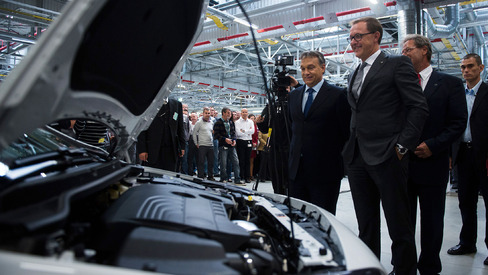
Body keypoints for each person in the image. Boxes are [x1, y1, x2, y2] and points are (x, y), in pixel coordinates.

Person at [342, 17, 429, 275]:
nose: (354, 41)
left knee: (398, 224)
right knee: (366, 224)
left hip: (388, 154)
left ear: (376, 36)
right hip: (357, 157)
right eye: (351, 37)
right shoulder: (355, 71)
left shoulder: (396, 63)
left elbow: (418, 107)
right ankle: (369, 268)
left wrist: (402, 146)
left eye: (359, 36)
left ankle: (403, 270)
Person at [402, 34, 467, 275]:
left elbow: (458, 122)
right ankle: (403, 266)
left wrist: (434, 145)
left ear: (424, 51)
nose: (404, 54)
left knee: (431, 221)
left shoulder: (449, 83)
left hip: (433, 162)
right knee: (403, 222)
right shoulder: (401, 83)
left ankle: (429, 267)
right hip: (403, 163)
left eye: (408, 50)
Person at [288, 50, 351, 215]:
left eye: (310, 68)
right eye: (302, 69)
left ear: (323, 68)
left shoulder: (338, 95)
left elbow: (347, 133)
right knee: (297, 219)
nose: (306, 73)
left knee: (324, 221)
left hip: (326, 173)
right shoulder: (294, 96)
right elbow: (293, 130)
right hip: (297, 172)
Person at [447, 53, 488, 266]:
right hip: (463, 154)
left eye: (470, 66)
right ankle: (467, 243)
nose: (466, 71)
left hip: (486, 156)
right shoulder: (457, 95)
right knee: (466, 203)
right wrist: (451, 155)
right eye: (463, 67)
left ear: (480, 68)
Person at [137, 98, 185, 171]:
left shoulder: (177, 104)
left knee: (170, 176)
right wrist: (142, 149)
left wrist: (182, 146)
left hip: (171, 150)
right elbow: (142, 128)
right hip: (152, 150)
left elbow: (180, 127)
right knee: (152, 176)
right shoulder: (148, 103)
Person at [213, 107, 243, 185]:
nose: (230, 115)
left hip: (231, 146)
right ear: (223, 113)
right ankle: (223, 178)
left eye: (230, 113)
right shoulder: (218, 123)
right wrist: (224, 139)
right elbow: (216, 135)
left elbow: (233, 133)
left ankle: (237, 179)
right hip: (223, 146)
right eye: (228, 113)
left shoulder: (231, 122)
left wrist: (234, 140)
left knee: (236, 162)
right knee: (223, 164)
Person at [192, 107, 215, 180]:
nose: (207, 115)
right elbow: (194, 133)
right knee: (201, 162)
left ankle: (210, 176)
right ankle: (200, 176)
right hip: (202, 145)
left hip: (210, 145)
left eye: (209, 113)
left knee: (211, 162)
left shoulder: (211, 122)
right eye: (206, 113)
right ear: (203, 114)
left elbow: (212, 132)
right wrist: (196, 143)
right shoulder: (199, 123)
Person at [235, 108, 255, 183]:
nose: (244, 113)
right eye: (243, 112)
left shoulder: (250, 122)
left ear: (247, 113)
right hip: (240, 141)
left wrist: (243, 131)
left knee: (248, 160)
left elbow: (252, 131)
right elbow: (238, 133)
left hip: (249, 141)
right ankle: (242, 176)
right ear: (241, 113)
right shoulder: (237, 122)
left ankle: (247, 177)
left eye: (246, 112)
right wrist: (247, 132)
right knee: (241, 160)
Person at [249, 114, 259, 181]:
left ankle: (251, 175)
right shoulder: (249, 126)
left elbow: (256, 136)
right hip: (249, 143)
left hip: (255, 145)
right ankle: (248, 175)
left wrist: (255, 143)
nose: (253, 119)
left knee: (252, 161)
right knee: (248, 161)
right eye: (251, 118)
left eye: (254, 118)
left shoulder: (255, 126)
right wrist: (252, 142)